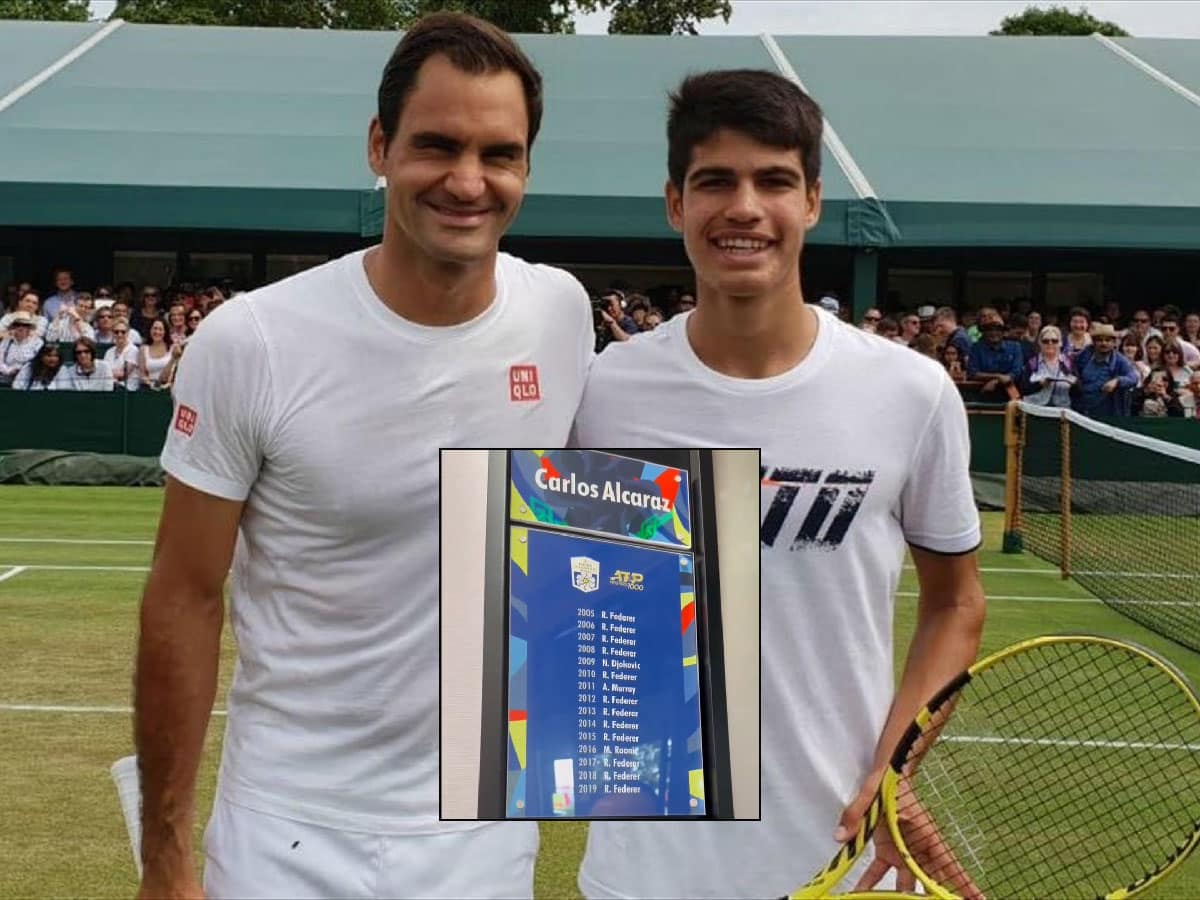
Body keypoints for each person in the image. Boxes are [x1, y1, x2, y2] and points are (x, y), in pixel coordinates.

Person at [135, 13, 591, 899]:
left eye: (499, 153)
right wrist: (165, 855)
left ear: (528, 168)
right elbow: (183, 596)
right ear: (380, 146)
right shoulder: (251, 341)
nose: (468, 181)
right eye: (437, 145)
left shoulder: (561, 313)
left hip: (485, 829)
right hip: (285, 824)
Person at [574, 67, 985, 900]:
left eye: (774, 181)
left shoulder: (909, 391)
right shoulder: (599, 391)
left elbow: (955, 603)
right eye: (714, 181)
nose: (744, 207)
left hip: (840, 861)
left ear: (812, 201)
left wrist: (895, 768)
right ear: (673, 202)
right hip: (641, 870)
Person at [1074, 323, 1138, 417]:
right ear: (1094, 342)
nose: (1104, 343)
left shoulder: (1119, 360)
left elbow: (1133, 378)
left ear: (1114, 343)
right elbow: (1073, 368)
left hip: (1109, 412)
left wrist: (1117, 381)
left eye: (1108, 340)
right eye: (1100, 340)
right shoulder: (1085, 355)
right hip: (1082, 409)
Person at [966, 318, 1023, 401]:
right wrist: (998, 376)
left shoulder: (1015, 347)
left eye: (998, 330)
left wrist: (996, 381)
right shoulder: (976, 348)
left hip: (1009, 394)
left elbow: (1017, 372)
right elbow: (972, 373)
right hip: (982, 392)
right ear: (984, 333)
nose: (994, 333)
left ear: (1003, 332)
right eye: (989, 330)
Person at [1020, 325, 1075, 408]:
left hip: (1061, 411)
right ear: (1040, 343)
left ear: (1060, 343)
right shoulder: (1032, 363)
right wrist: (1039, 384)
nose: (1050, 343)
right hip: (1035, 410)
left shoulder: (1068, 363)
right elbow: (1023, 389)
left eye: (1054, 341)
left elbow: (1078, 390)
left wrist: (1074, 383)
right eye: (1045, 341)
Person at [0, 312, 45, 386]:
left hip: (28, 378)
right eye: (18, 325)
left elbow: (38, 362)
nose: (21, 327)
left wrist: (22, 370)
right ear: (14, 327)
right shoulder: (6, 341)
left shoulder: (38, 342)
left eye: (25, 325)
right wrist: (8, 370)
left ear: (29, 327)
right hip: (6, 376)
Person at [104, 318, 142, 392]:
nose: (119, 334)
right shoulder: (109, 351)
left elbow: (123, 374)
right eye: (116, 332)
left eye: (123, 332)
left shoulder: (133, 350)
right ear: (112, 333)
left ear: (128, 333)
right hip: (110, 386)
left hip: (127, 389)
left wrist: (108, 373)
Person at [139, 320, 177, 391]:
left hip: (169, 388)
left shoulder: (173, 348)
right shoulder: (143, 349)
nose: (157, 332)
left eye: (160, 329)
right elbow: (142, 374)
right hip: (149, 388)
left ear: (165, 332)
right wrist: (151, 384)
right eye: (155, 328)